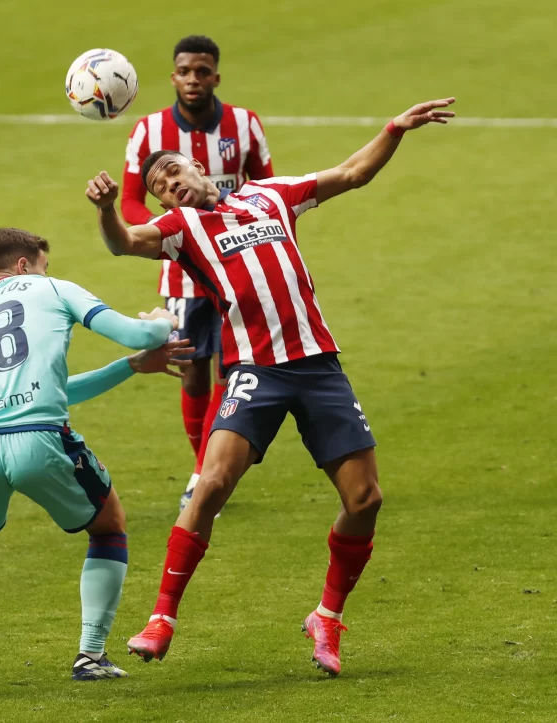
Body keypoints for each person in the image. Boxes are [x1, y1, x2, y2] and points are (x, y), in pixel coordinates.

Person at [86, 97, 456, 675]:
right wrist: (109, 210)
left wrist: (394, 128)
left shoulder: (271, 194)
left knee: (366, 500)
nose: (171, 186)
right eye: (160, 186)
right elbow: (122, 243)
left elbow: (352, 174)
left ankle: (327, 618)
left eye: (175, 172)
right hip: (255, 372)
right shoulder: (181, 230)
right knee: (210, 485)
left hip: (318, 365)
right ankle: (161, 618)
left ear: (198, 168)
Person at [0, 227, 191, 682]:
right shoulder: (52, 289)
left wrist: (129, 368)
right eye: (44, 264)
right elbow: (138, 333)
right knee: (109, 526)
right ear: (25, 264)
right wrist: (164, 321)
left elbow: (56, 390)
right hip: (39, 438)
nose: (48, 271)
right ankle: (90, 655)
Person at [122, 34, 274, 510]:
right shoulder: (148, 131)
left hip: (235, 268)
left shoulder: (245, 125)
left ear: (216, 77)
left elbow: (266, 187)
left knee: (234, 372)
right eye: (185, 71)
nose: (193, 79)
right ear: (173, 76)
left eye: (202, 71)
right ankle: (199, 465)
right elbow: (130, 200)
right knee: (191, 373)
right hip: (183, 274)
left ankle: (209, 470)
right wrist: (168, 234)